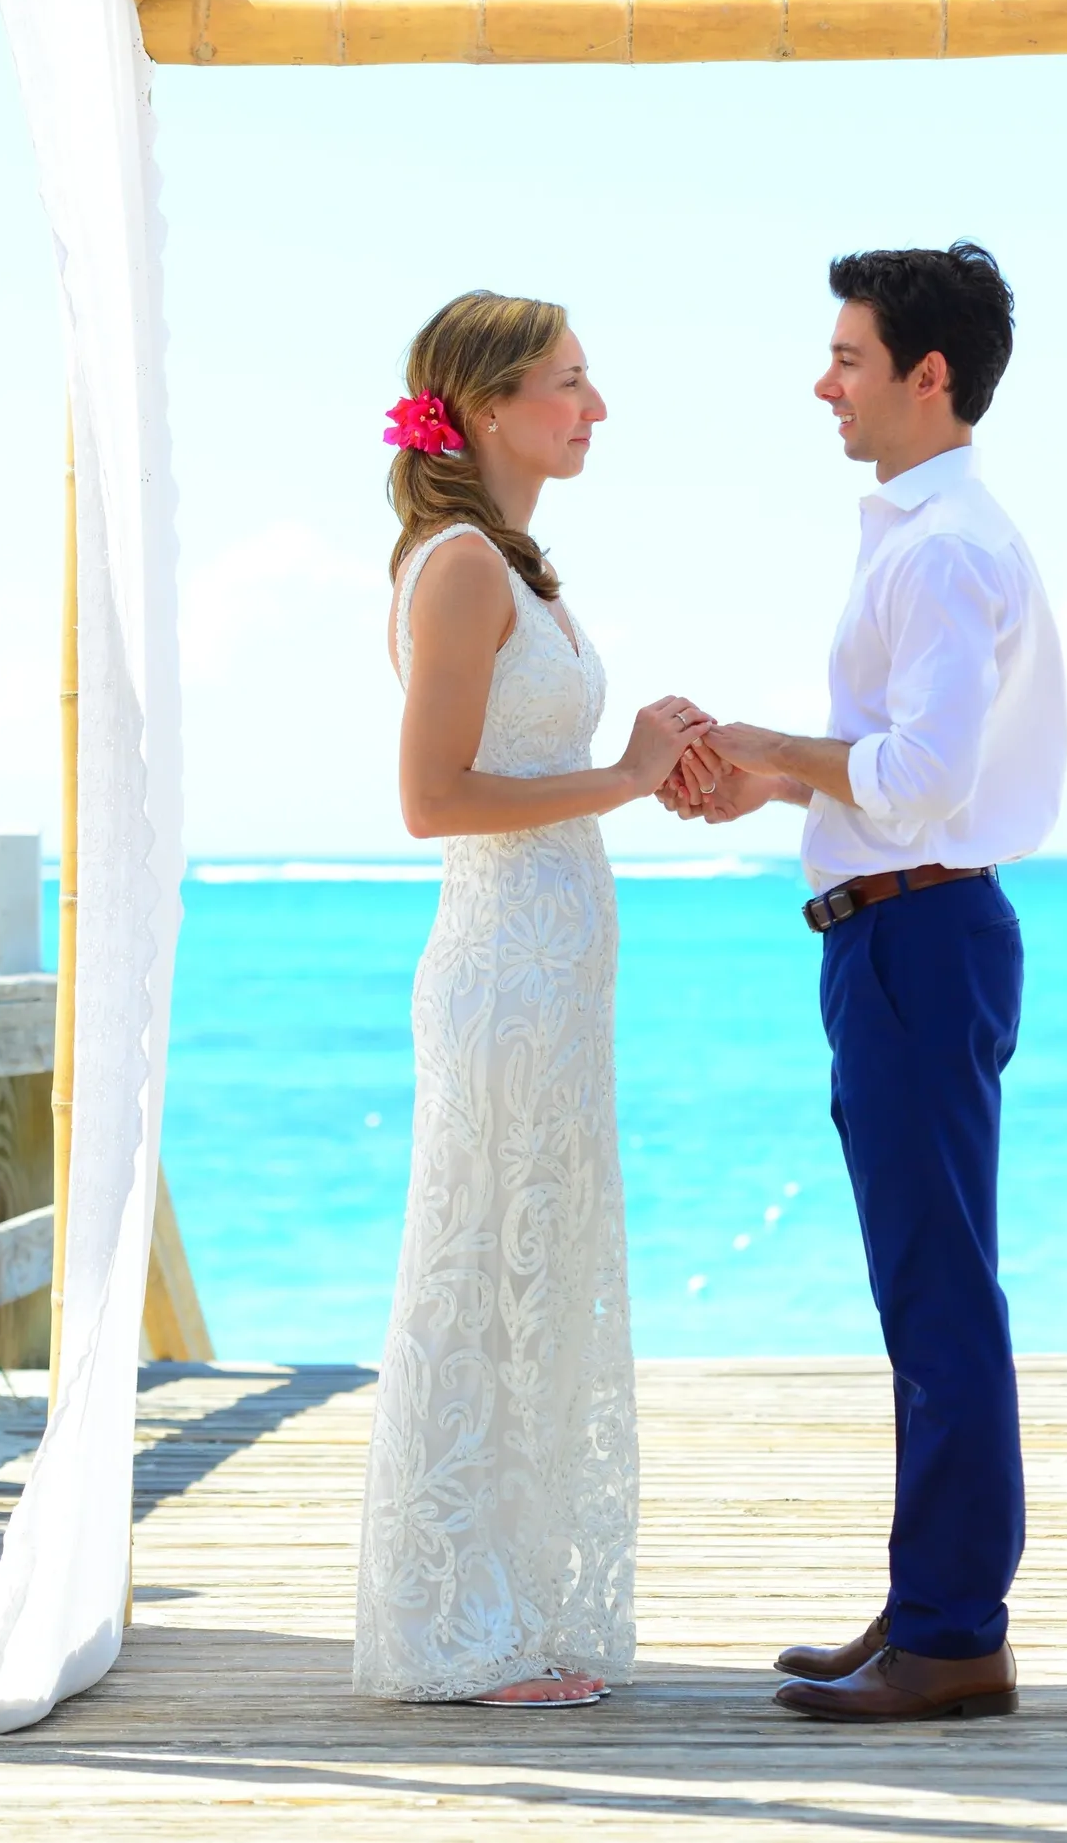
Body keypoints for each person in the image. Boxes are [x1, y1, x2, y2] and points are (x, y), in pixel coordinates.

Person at [660, 243, 1067, 1721]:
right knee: (924, 1288)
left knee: (938, 1289)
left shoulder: (943, 546)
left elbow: (922, 778)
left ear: (927, 374)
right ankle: (929, 1609)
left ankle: (955, 1634)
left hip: (916, 940)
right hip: (901, 932)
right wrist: (775, 786)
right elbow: (896, 779)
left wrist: (774, 748)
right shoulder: (917, 530)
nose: (822, 380)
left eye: (847, 354)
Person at [354, 290, 712, 1709]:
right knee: (477, 1271)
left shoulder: (521, 564)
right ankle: (451, 1630)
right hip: (502, 976)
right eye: (571, 381)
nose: (596, 407)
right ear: (491, 405)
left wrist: (659, 767)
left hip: (556, 977)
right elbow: (430, 800)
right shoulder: (457, 569)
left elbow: (535, 766)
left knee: (534, 1274)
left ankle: (501, 1601)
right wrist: (624, 777)